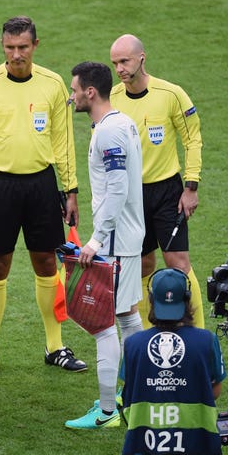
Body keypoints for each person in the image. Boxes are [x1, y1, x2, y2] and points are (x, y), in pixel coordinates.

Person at [0, 15, 87, 375]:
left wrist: (71, 191)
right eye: (9, 47)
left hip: (41, 185)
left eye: (23, 47)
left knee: (47, 262)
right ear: (3, 46)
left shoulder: (52, 84)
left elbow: (63, 142)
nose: (16, 54)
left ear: (35, 45)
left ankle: (55, 346)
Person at [64, 62, 145, 429]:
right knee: (127, 316)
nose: (72, 95)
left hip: (115, 240)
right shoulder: (121, 122)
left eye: (75, 89)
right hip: (127, 236)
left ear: (90, 92)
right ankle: (140, 396)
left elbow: (118, 189)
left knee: (103, 326)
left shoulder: (109, 132)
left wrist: (96, 240)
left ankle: (108, 412)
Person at [110, 34, 204, 330]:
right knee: (141, 265)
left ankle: (199, 335)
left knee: (178, 263)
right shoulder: (111, 98)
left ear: (142, 58)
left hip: (166, 191)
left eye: (124, 61)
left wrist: (191, 187)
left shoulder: (171, 94)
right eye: (115, 63)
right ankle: (147, 335)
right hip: (130, 196)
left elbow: (192, 139)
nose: (120, 69)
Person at [121, 268, 226, 455]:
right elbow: (215, 391)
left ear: (151, 300)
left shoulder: (133, 343)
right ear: (187, 299)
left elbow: (129, 390)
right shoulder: (207, 340)